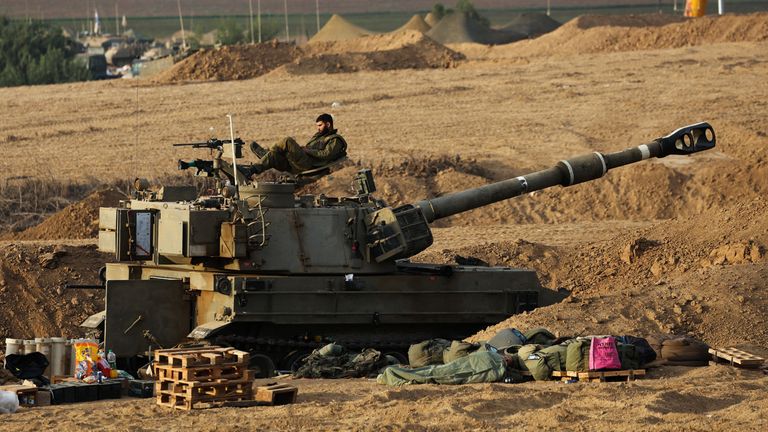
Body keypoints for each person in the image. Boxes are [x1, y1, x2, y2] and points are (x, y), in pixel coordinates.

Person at [247, 113, 347, 176]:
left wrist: (307, 150)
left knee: (287, 141)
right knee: (273, 156)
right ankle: (251, 170)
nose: (318, 128)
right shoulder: (319, 136)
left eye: (320, 125)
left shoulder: (335, 140)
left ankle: (266, 153)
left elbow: (326, 154)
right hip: (297, 165)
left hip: (309, 164)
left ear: (328, 124)